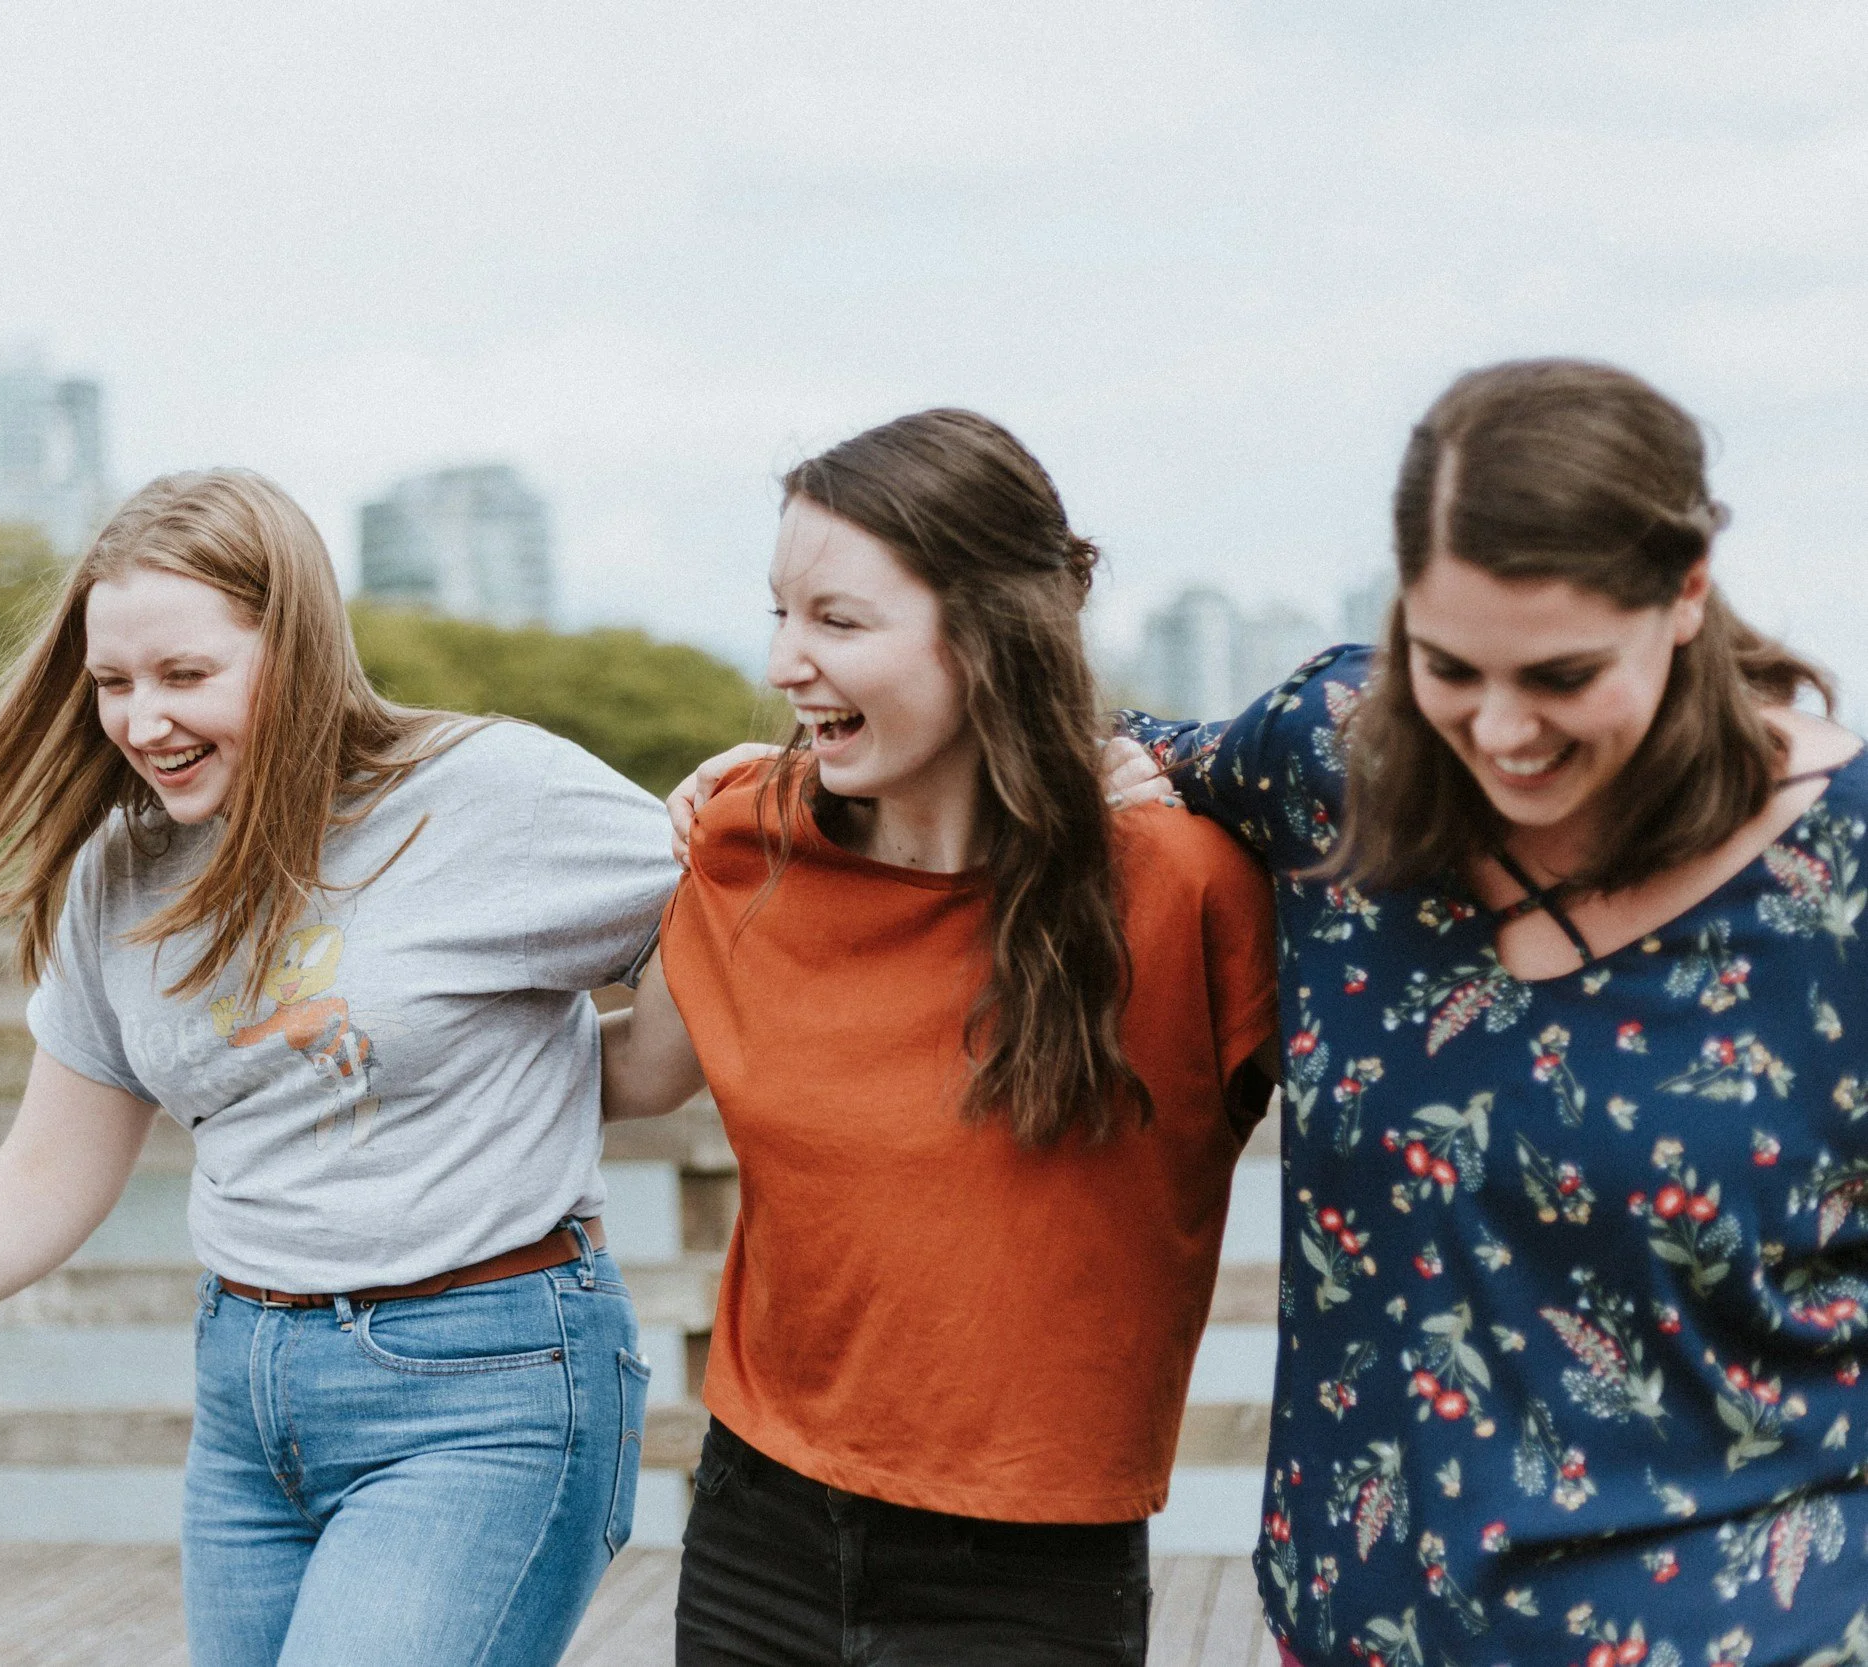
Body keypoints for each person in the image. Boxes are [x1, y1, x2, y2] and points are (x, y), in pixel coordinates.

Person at [0, 470, 678, 1667]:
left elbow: (728, 942)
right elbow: (43, 1176)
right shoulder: (120, 869)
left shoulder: (487, 796)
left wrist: (611, 1042)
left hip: (486, 1392)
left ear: (298, 651)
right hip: (249, 1405)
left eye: (185, 675)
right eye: (113, 682)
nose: (140, 719)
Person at [1089, 360, 1868, 1664]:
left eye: (1562, 674)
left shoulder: (1842, 877)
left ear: (1685, 593)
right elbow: (1080, 752)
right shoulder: (1338, 751)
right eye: (1448, 665)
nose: (1499, 730)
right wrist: (767, 802)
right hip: (1354, 1629)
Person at [604, 409, 1279, 1666]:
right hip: (759, 1521)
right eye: (779, 613)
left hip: (1030, 1568)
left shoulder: (1183, 886)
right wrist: (361, 1048)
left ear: (987, 634)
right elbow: (633, 1073)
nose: (787, 660)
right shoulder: (746, 843)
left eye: (838, 621)